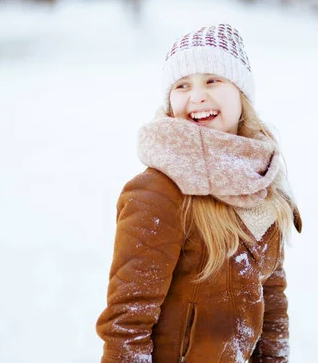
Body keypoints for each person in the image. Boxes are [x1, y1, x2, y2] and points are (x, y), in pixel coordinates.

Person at [96, 23, 302, 363]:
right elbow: (126, 325)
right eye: (182, 85)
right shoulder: (157, 193)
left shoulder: (262, 175)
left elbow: (273, 302)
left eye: (213, 80)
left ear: (241, 93)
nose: (196, 96)